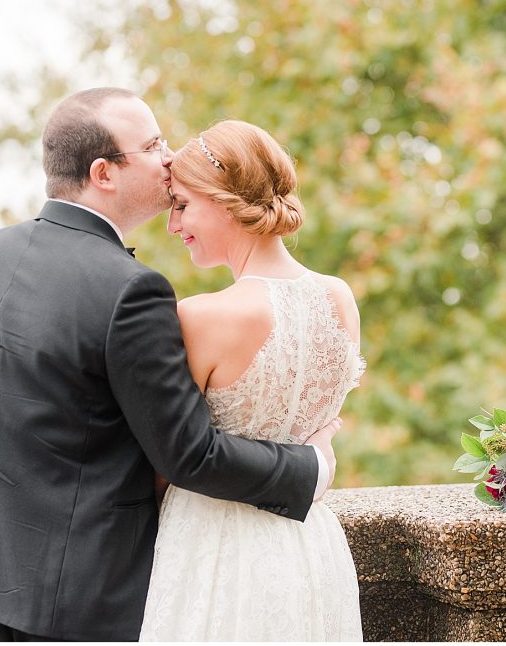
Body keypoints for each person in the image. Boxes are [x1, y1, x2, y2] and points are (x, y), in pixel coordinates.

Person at [0, 88, 342, 642]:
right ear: (104, 173)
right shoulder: (131, 289)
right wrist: (311, 467)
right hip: (88, 588)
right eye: (152, 144)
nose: (169, 157)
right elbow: (186, 453)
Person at [139, 120, 364, 641]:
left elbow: (168, 460)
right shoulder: (339, 298)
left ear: (223, 201)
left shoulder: (201, 316)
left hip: (210, 546)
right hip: (310, 546)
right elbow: (322, 426)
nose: (174, 226)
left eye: (182, 205)